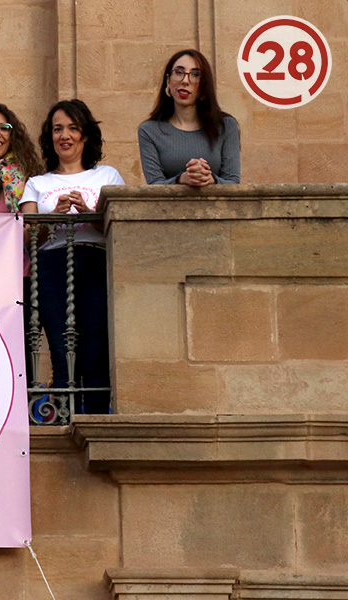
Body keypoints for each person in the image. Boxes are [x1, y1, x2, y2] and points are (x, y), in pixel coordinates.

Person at [20, 99, 124, 415]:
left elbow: (121, 228)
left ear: (86, 135)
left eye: (73, 128)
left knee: (95, 349)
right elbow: (26, 238)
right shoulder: (38, 183)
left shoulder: (107, 175)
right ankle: (63, 422)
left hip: (94, 263)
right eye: (57, 129)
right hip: (52, 268)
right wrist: (52, 219)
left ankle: (93, 420)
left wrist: (91, 214)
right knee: (62, 349)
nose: (65, 135)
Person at [138, 49, 240, 186]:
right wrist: (182, 179)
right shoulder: (149, 130)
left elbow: (233, 182)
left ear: (204, 85)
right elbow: (154, 184)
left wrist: (211, 180)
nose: (185, 81)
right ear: (168, 81)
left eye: (195, 74)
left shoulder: (226, 125)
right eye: (179, 72)